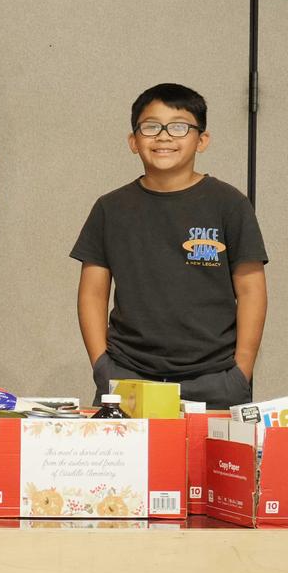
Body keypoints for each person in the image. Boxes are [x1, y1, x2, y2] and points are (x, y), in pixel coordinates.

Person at [71, 83, 267, 408]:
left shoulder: (229, 204)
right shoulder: (111, 208)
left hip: (215, 378)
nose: (163, 136)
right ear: (134, 141)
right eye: (151, 127)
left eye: (179, 126)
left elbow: (251, 290)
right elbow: (92, 292)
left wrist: (240, 373)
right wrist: (102, 366)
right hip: (128, 374)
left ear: (201, 140)